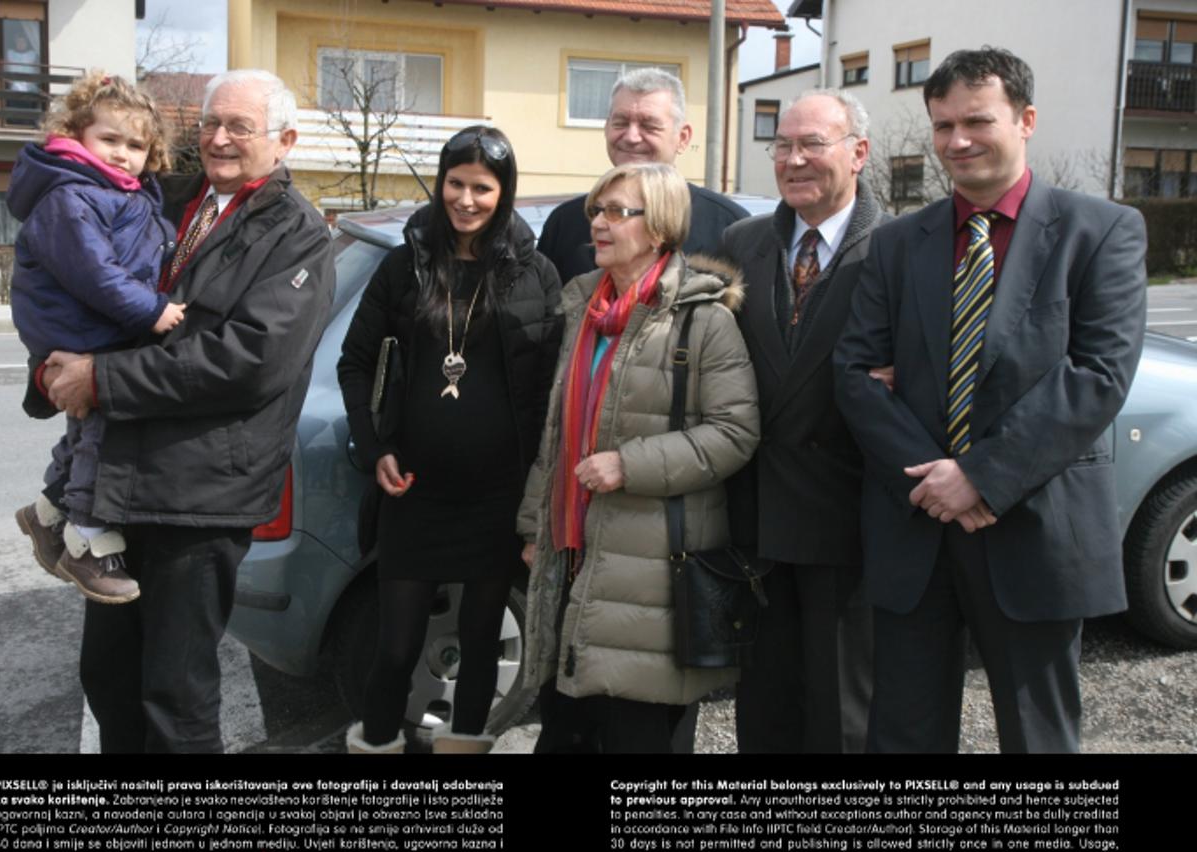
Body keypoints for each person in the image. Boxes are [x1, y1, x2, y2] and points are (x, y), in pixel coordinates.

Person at [834, 47, 1147, 753]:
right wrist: (935, 481)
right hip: (915, 529)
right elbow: (854, 374)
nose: (957, 141)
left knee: (1038, 740)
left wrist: (978, 475)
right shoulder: (896, 244)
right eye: (943, 125)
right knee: (902, 738)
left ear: (1026, 120)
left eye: (977, 121)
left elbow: (1096, 375)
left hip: (1035, 529)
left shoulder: (1101, 231)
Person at [41, 69, 335, 753]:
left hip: (202, 497)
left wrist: (103, 380)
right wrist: (53, 361)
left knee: (176, 697)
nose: (219, 139)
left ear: (285, 141)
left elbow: (249, 361)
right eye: (210, 123)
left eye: (240, 127)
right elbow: (82, 270)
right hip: (123, 477)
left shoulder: (298, 234)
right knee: (109, 676)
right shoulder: (162, 194)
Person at [518, 162, 759, 753]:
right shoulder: (582, 310)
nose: (598, 224)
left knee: (637, 738)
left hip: (650, 571)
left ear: (659, 229)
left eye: (617, 212)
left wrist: (630, 464)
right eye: (596, 211)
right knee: (565, 733)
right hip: (570, 557)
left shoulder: (705, 319)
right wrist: (533, 528)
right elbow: (556, 434)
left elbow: (735, 431)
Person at [337, 126, 563, 755]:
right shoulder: (404, 265)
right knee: (395, 647)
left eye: (482, 188)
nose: (466, 199)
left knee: (482, 641)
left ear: (504, 192)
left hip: (497, 496)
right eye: (455, 184)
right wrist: (374, 447)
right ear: (440, 184)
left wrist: (538, 491)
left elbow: (552, 386)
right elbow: (355, 362)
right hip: (414, 491)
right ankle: (377, 747)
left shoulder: (536, 272)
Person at [723, 89, 886, 754]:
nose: (793, 159)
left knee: (841, 716)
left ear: (858, 152)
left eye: (812, 144)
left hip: (849, 523)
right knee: (763, 713)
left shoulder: (898, 247)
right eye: (782, 145)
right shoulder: (742, 242)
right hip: (757, 521)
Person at [11, 71, 184, 606]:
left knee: (85, 432)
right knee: (102, 438)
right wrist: (152, 310)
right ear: (76, 134)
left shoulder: (120, 192)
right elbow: (96, 273)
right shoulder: (71, 196)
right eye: (109, 139)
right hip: (84, 330)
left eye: (136, 145)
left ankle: (46, 516)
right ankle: (87, 542)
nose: (122, 154)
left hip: (98, 328)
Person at [538, 67, 748, 284]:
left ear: (683, 138)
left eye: (649, 126)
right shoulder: (565, 224)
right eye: (620, 123)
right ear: (606, 129)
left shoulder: (728, 228)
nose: (632, 137)